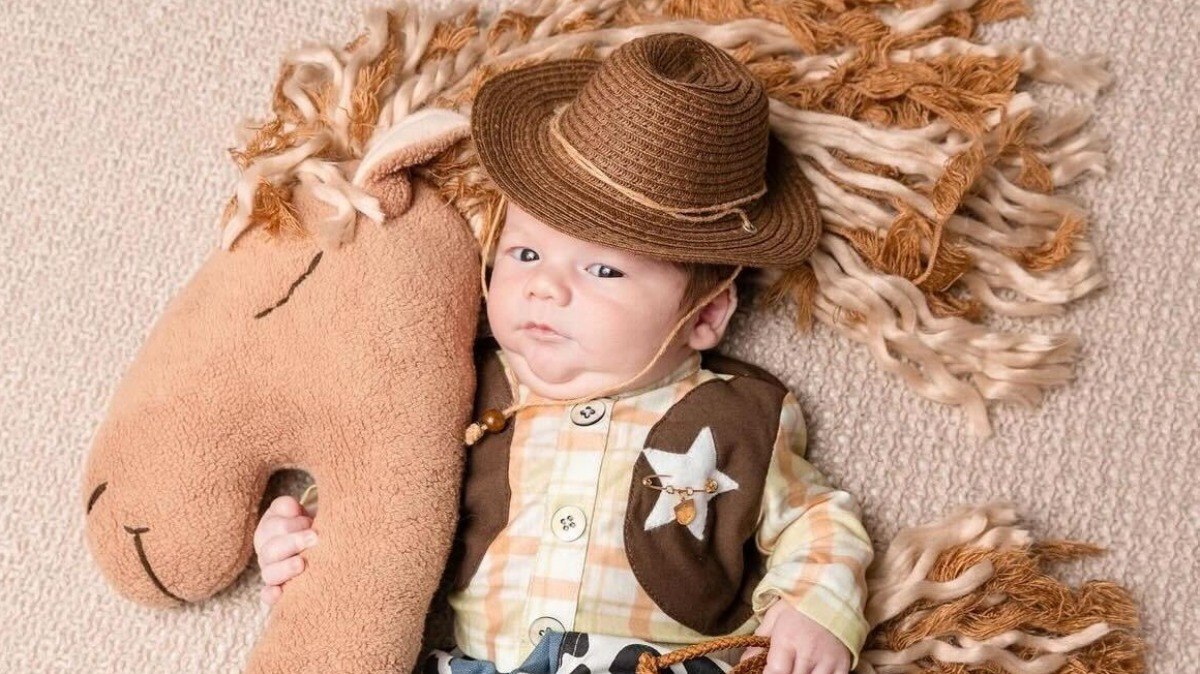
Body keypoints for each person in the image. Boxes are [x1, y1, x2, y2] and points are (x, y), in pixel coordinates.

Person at [254, 32, 874, 674]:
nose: (544, 286)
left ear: (706, 315)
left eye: (604, 271)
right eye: (525, 254)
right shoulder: (460, 391)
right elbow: (388, 499)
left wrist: (814, 607)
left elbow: (817, 519)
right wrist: (303, 541)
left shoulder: (739, 416)